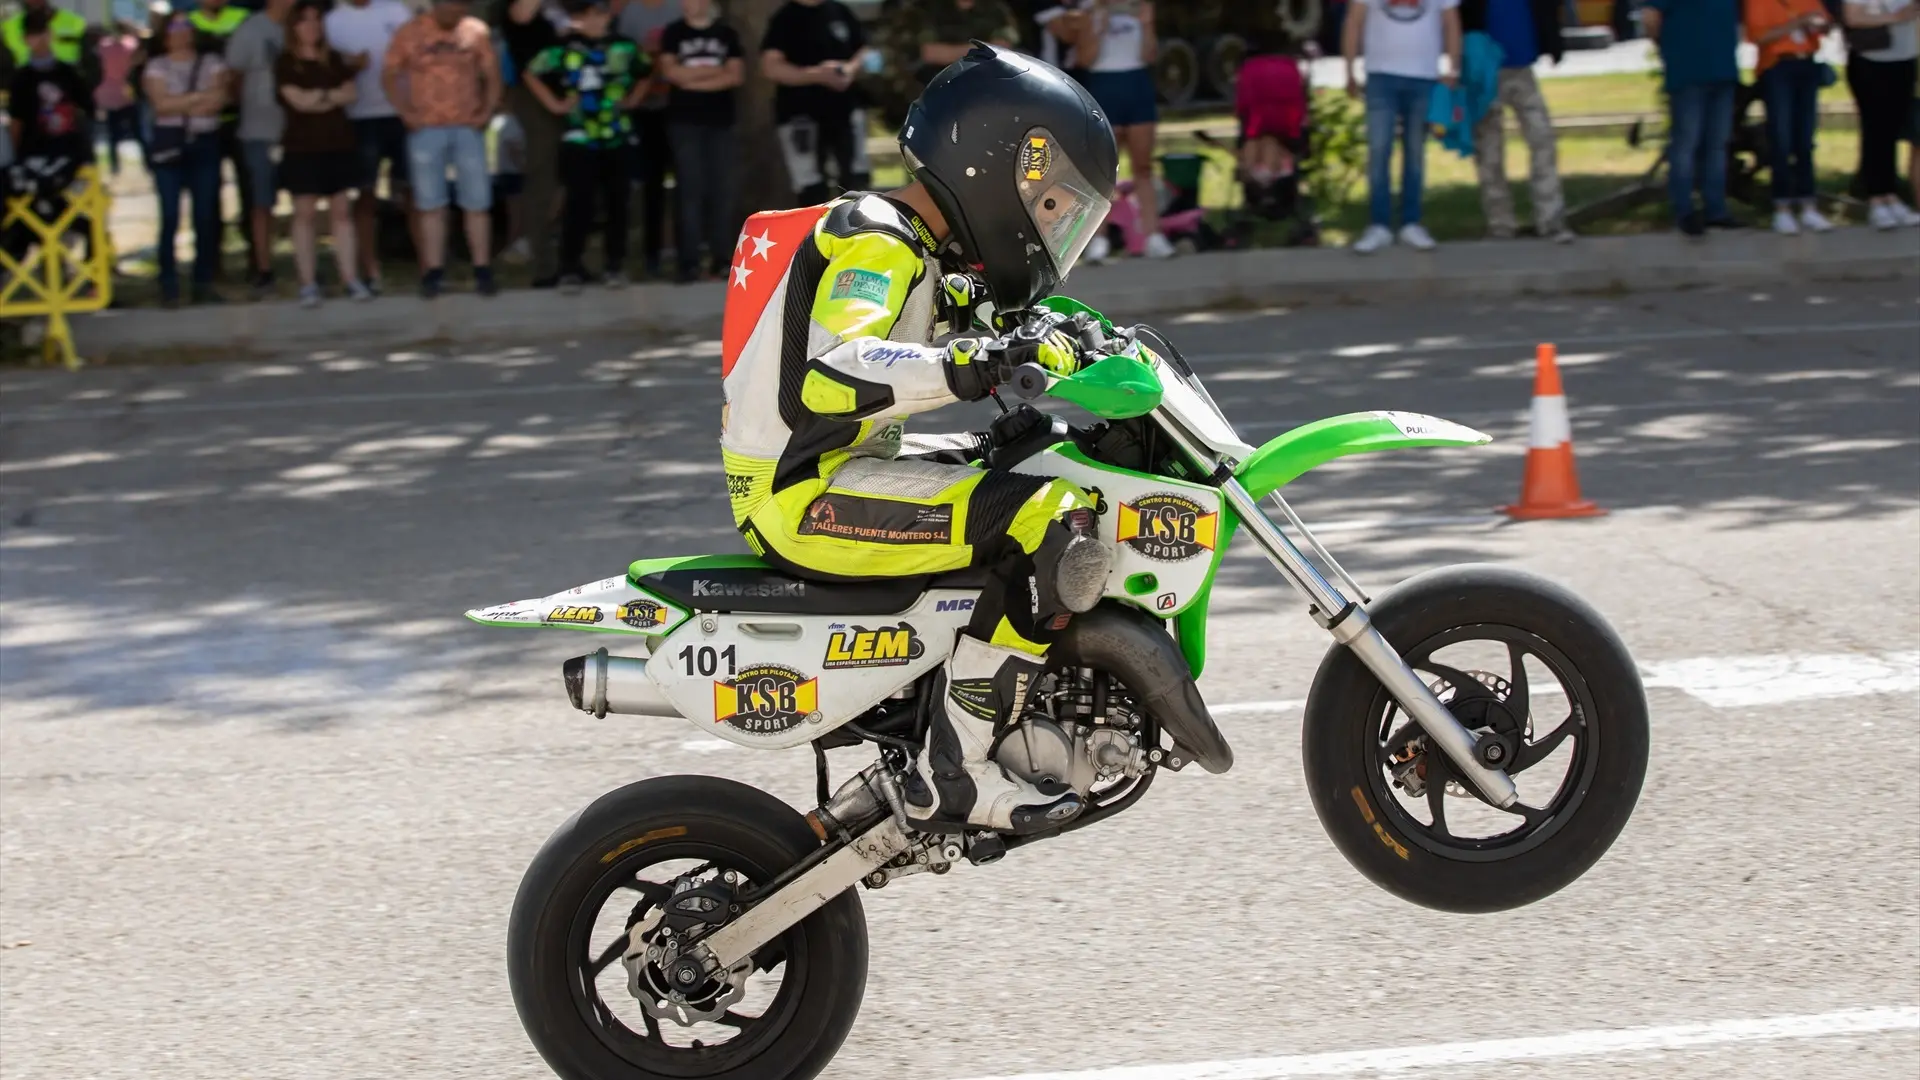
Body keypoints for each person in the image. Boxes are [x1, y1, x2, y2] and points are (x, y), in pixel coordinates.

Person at [719, 45, 1120, 832]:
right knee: (1051, 518)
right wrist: (975, 363)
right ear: (992, 166)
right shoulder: (876, 239)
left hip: (842, 471)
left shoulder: (921, 249)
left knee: (1035, 460)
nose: (1052, 231)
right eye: (1050, 208)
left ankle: (955, 702)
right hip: (805, 495)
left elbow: (988, 321)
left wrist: (1061, 338)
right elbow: (833, 374)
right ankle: (957, 770)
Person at [525, 0, 648, 291]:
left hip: (617, 134)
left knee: (618, 203)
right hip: (579, 136)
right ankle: (570, 268)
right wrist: (555, 104)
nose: (594, 20)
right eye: (587, 14)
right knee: (579, 202)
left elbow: (646, 71)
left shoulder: (625, 47)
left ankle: (614, 267)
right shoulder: (565, 47)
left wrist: (633, 99)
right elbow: (531, 72)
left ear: (608, 16)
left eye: (599, 14)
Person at [383, 0, 501, 298]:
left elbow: (491, 74)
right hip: (426, 128)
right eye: (451, 6)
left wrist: (486, 111)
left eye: (462, 7)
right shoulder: (411, 32)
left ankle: (482, 269)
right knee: (430, 203)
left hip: (467, 126)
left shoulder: (476, 32)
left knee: (477, 202)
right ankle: (433, 270)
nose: (457, 12)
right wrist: (405, 112)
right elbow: (389, 73)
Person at [1344, 0, 1463, 254]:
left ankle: (1411, 223)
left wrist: (1453, 67)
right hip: (1380, 76)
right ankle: (1379, 225)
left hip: (1424, 77)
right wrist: (1349, 69)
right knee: (1378, 150)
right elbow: (1354, 20)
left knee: (1415, 153)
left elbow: (1450, 21)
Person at [1057, 0, 1173, 260]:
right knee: (1105, 170)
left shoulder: (1136, 10)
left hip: (1137, 87)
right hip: (1104, 87)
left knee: (1143, 167)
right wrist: (1096, 28)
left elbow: (1149, 56)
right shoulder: (1089, 12)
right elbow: (1085, 59)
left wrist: (1147, 23)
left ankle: (1154, 236)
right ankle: (1099, 240)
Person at [277, 0, 372, 307]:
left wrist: (320, 97)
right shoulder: (285, 63)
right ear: (293, 27)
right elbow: (298, 101)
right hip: (302, 147)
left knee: (342, 213)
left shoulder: (334, 60)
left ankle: (351, 278)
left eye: (316, 20)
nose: (311, 26)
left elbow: (351, 94)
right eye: (304, 21)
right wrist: (329, 97)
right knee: (304, 213)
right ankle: (307, 283)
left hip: (339, 144)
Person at [1462, 0, 1575, 242]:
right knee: (1489, 149)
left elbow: (1547, 9)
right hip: (1486, 69)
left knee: (1542, 138)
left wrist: (1553, 43)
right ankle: (1500, 223)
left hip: (1522, 68)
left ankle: (1551, 219)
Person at [326, 0, 413, 293]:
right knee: (365, 196)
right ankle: (370, 268)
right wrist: (347, 66)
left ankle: (428, 265)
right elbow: (324, 68)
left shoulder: (396, 11)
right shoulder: (332, 21)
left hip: (400, 114)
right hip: (359, 118)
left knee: (412, 193)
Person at [144, 11, 228, 306]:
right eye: (175, 27)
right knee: (169, 216)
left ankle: (203, 282)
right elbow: (161, 105)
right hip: (170, 147)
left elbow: (218, 100)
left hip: (204, 143)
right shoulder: (156, 66)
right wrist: (196, 99)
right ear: (165, 35)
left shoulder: (212, 62)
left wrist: (181, 102)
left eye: (186, 26)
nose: (182, 32)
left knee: (205, 215)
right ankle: (168, 284)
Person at [658, 0, 744, 282]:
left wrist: (692, 80)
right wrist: (713, 73)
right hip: (684, 122)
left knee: (722, 191)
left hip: (721, 122)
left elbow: (735, 75)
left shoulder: (726, 34)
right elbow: (671, 72)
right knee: (689, 191)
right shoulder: (673, 33)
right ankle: (689, 262)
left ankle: (722, 259)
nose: (687, 4)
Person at [1641, 0, 1740, 236]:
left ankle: (1716, 209)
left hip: (1723, 71)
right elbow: (1650, 18)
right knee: (1686, 143)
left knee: (1717, 145)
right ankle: (1684, 210)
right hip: (1687, 73)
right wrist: (1670, 47)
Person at [762, 0, 870, 206]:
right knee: (811, 189)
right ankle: (813, 237)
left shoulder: (840, 11)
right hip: (801, 117)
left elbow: (864, 50)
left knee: (855, 183)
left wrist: (849, 70)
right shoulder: (785, 18)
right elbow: (770, 67)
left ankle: (856, 234)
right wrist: (817, 75)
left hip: (845, 113)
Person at [1746, 0, 1836, 232]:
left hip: (1807, 64)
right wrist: (1796, 23)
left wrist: (1821, 27)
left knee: (1805, 140)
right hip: (1778, 68)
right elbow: (1758, 37)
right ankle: (1782, 207)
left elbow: (1825, 22)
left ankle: (1808, 205)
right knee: (1781, 138)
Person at [226, 0, 292, 298]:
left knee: (303, 202)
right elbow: (234, 79)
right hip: (258, 131)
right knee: (261, 202)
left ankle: (303, 265)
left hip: (300, 133)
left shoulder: (303, 25)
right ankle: (263, 268)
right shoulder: (250, 31)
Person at [499, 0, 565, 286]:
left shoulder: (558, 9)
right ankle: (543, 265)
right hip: (536, 99)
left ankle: (568, 260)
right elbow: (521, 15)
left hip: (569, 95)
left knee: (569, 177)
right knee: (542, 178)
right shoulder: (518, 8)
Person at [615, 0, 681, 279]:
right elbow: (625, 62)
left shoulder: (679, 8)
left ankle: (683, 250)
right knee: (649, 184)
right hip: (641, 111)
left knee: (684, 184)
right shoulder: (630, 13)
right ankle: (651, 254)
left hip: (679, 108)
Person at [1842, 0, 1920, 227]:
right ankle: (1876, 198)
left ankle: (1891, 196)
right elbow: (1852, 17)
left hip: (1904, 59)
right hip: (1871, 60)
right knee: (1875, 130)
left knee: (1893, 131)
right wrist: (1895, 17)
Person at [189, 0, 252, 273]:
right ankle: (210, 264)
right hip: (204, 122)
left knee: (251, 193)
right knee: (206, 195)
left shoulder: (243, 18)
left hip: (243, 119)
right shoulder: (188, 22)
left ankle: (256, 260)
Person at [914, 0, 1019, 83]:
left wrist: (951, 52)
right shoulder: (930, 8)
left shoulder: (995, 9)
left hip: (986, 80)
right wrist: (981, 50)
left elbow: (1003, 49)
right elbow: (929, 53)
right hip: (941, 81)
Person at [96, 22, 145, 174]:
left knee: (112, 134)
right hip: (127, 92)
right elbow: (140, 56)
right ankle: (147, 163)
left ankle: (114, 167)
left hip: (108, 93)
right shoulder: (130, 45)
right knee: (138, 132)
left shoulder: (103, 46)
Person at [2, 0, 88, 69]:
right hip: (25, 84)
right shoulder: (8, 27)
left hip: (68, 82)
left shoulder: (76, 23)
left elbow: (89, 62)